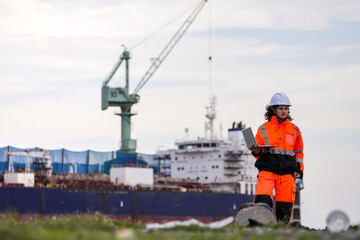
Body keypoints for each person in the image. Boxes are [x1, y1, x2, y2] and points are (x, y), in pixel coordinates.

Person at [250, 92, 304, 224]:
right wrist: (256, 151)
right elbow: (257, 153)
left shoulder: (295, 130)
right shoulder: (263, 129)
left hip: (287, 175)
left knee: (284, 212)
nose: (284, 111)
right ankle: (260, 233)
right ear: (273, 109)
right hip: (267, 172)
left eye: (286, 108)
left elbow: (299, 153)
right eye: (281, 108)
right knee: (262, 203)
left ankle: (279, 235)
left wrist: (300, 169)